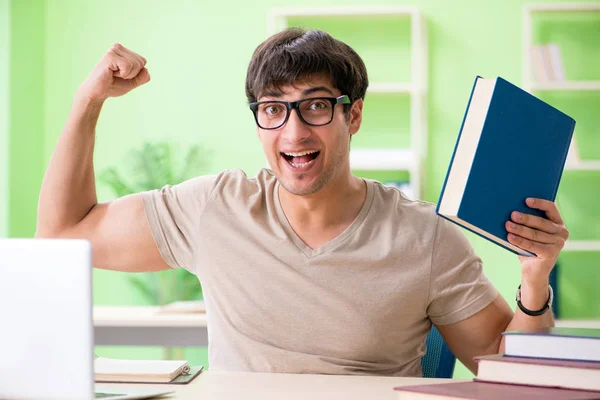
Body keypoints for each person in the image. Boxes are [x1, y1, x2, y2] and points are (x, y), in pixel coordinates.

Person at [36, 28, 569, 376]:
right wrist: (89, 101)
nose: (293, 131)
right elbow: (61, 235)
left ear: (352, 116)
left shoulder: (425, 236)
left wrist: (534, 280)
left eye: (315, 106)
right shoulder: (213, 208)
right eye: (272, 109)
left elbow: (515, 373)